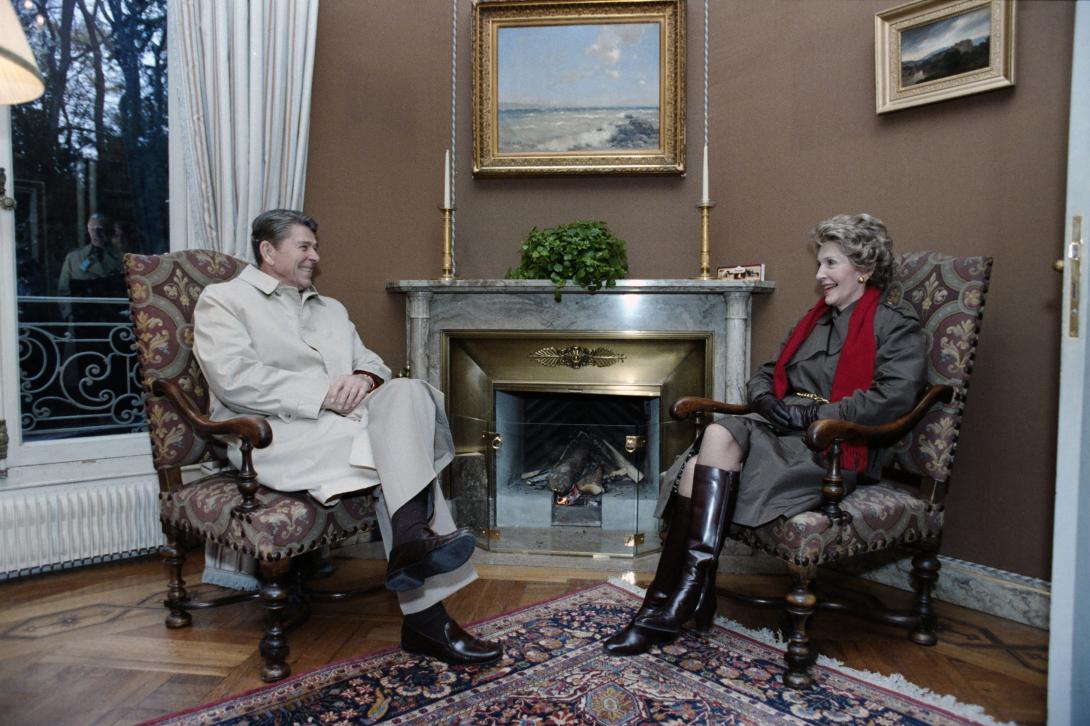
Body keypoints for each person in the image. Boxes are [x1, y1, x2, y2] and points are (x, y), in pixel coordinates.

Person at [605, 213, 926, 655]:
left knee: (700, 466)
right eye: (820, 264)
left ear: (863, 268)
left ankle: (672, 601)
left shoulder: (893, 322)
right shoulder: (813, 320)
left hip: (829, 448)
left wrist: (816, 415)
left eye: (830, 264)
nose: (820, 275)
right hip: (778, 429)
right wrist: (766, 401)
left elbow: (894, 398)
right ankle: (678, 598)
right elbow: (766, 374)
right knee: (715, 439)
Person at [193, 209, 502, 666]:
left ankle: (412, 543)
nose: (315, 257)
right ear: (268, 250)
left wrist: (362, 377)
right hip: (273, 435)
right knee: (400, 453)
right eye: (304, 247)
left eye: (314, 248)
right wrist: (323, 394)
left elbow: (374, 362)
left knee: (410, 391)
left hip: (347, 426)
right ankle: (424, 612)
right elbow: (234, 379)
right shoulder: (223, 301)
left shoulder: (331, 309)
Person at [57, 212, 126, 321]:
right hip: (84, 320)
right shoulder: (74, 258)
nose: (95, 233)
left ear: (109, 231)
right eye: (91, 228)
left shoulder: (122, 258)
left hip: (114, 321)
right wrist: (69, 317)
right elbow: (64, 291)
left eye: (100, 228)